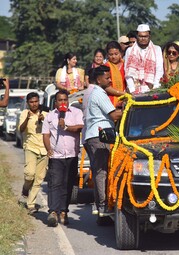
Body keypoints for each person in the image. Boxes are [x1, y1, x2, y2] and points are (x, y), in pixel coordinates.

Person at [83, 65, 122, 217]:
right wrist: (128, 109)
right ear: (99, 80)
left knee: (100, 171)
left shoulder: (97, 92)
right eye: (107, 78)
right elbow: (114, 116)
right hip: (100, 137)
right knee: (102, 172)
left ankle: (100, 205)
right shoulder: (99, 94)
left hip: (95, 136)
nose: (110, 80)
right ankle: (103, 206)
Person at [42, 90, 84, 227]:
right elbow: (46, 135)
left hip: (71, 155)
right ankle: (53, 212)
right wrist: (48, 148)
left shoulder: (76, 113)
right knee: (55, 183)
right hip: (56, 156)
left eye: (65, 100)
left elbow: (80, 127)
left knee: (68, 184)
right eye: (60, 100)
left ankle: (63, 211)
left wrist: (65, 126)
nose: (63, 103)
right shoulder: (49, 116)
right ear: (55, 102)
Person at [18, 92, 49, 214]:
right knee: (30, 174)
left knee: (39, 179)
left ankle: (30, 204)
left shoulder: (46, 114)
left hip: (44, 149)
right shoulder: (25, 113)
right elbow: (21, 129)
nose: (34, 104)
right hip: (30, 147)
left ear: (39, 102)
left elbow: (53, 130)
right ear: (28, 103)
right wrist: (28, 118)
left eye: (36, 101)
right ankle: (25, 188)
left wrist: (44, 120)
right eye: (31, 102)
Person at [124, 24, 163, 94]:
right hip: (134, 90)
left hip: (152, 89)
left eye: (145, 36)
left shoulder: (157, 49)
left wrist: (155, 88)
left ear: (149, 36)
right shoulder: (130, 51)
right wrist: (132, 89)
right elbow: (127, 72)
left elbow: (159, 70)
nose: (143, 39)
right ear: (137, 36)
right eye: (141, 36)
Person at [105, 41, 126, 106]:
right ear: (107, 55)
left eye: (116, 54)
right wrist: (123, 93)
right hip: (111, 101)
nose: (113, 57)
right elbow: (106, 87)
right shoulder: (106, 66)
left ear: (120, 53)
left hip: (126, 99)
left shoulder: (126, 65)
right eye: (111, 54)